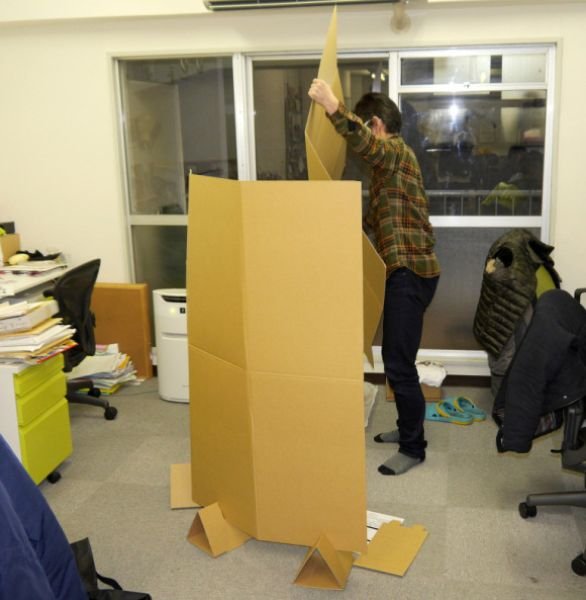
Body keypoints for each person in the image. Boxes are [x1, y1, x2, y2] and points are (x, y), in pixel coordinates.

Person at [308, 79, 440, 475]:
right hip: (403, 272)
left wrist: (334, 106)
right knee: (397, 359)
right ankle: (406, 429)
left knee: (399, 364)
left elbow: (368, 146)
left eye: (367, 129)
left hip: (409, 274)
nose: (363, 144)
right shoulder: (387, 172)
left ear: (377, 125)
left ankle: (413, 447)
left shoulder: (395, 152)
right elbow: (374, 223)